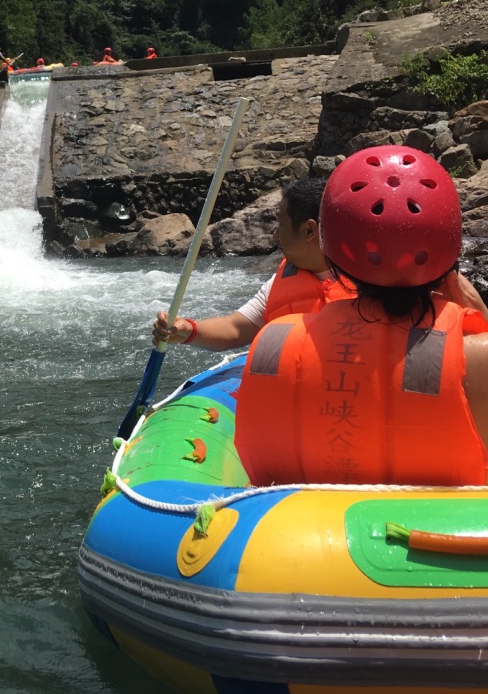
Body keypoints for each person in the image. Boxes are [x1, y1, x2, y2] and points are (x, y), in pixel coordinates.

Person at [235, 147, 488, 487]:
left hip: (301, 531)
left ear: (332, 249)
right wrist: (481, 313)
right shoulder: (478, 357)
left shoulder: (273, 343)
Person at [153, 178, 348, 351]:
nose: (274, 235)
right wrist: (187, 330)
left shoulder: (371, 284)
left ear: (309, 230)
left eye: (280, 224)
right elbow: (236, 328)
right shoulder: (280, 281)